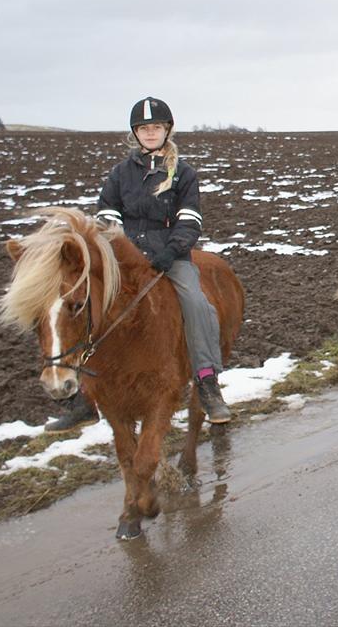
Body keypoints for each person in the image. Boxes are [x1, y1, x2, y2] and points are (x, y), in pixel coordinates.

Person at [45, 97, 231, 432]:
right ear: (135, 133)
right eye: (144, 128)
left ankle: (206, 382)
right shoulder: (120, 174)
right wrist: (118, 249)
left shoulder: (184, 174)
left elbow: (190, 221)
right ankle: (84, 399)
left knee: (197, 304)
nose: (150, 133)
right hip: (124, 259)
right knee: (87, 307)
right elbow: (106, 216)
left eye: (156, 127)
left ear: (166, 130)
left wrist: (168, 251)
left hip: (170, 257)